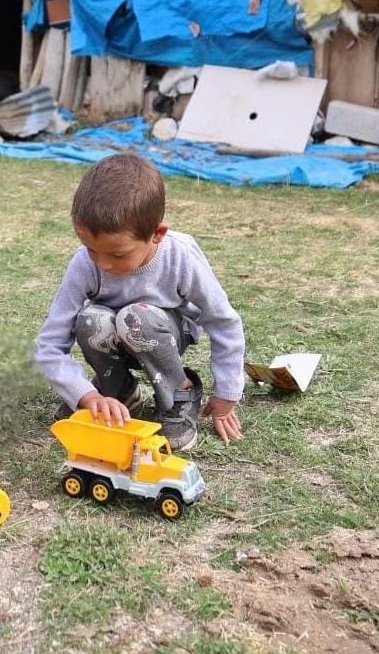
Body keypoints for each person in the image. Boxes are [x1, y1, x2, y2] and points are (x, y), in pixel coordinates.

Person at [33, 153, 244, 451]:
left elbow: (222, 320)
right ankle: (119, 390)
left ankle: (178, 394)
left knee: (135, 317)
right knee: (90, 318)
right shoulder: (84, 264)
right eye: (91, 249)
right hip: (117, 337)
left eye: (117, 254)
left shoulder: (180, 256)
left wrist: (227, 391)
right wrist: (86, 396)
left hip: (163, 333)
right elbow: (49, 344)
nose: (102, 264)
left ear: (157, 234)